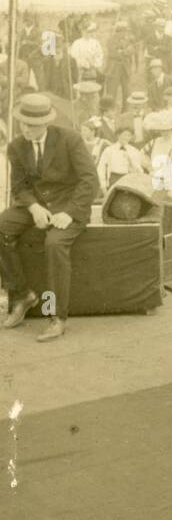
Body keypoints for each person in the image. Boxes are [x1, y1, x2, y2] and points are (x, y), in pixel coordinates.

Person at [1, 94, 102, 341]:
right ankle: (22, 294)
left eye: (31, 125)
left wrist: (69, 213)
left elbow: (90, 181)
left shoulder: (70, 140)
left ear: (45, 123)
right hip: (36, 206)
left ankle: (57, 316)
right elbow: (19, 187)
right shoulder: (16, 146)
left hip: (70, 207)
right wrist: (34, 207)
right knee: (1, 226)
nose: (25, 128)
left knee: (54, 244)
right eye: (22, 123)